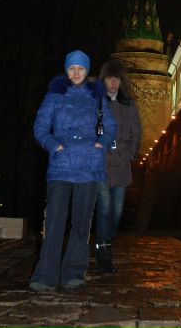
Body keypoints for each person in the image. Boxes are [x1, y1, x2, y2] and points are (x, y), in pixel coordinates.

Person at [29, 50, 118, 292]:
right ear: (66, 70)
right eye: (72, 68)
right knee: (54, 221)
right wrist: (54, 146)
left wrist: (101, 144)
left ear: (87, 71)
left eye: (81, 68)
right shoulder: (54, 95)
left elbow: (110, 126)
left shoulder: (97, 96)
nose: (76, 73)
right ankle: (45, 276)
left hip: (89, 166)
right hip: (61, 165)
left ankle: (73, 273)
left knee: (81, 223)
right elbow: (40, 127)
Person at [94, 59, 142, 273]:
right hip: (101, 162)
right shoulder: (96, 103)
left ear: (121, 81)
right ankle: (103, 249)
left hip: (121, 162)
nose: (113, 82)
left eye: (117, 79)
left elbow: (136, 132)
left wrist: (130, 153)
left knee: (117, 211)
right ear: (104, 80)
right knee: (104, 207)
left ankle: (106, 238)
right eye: (110, 78)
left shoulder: (129, 105)